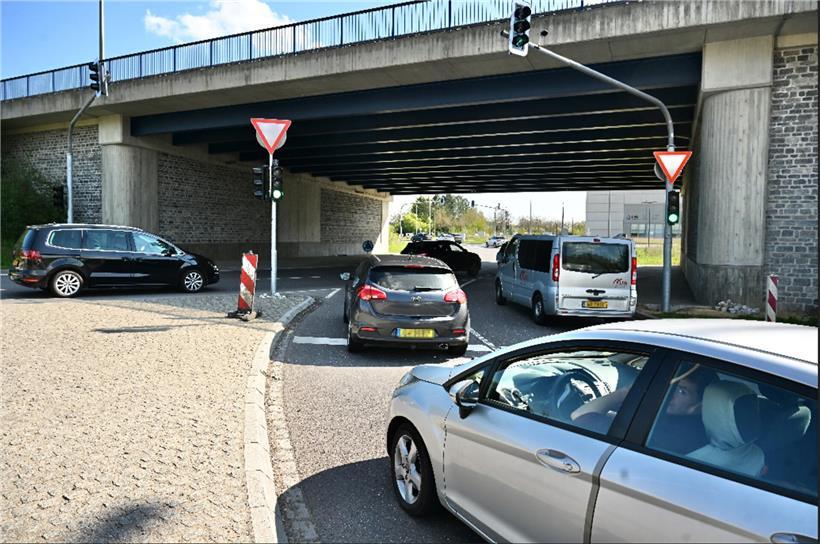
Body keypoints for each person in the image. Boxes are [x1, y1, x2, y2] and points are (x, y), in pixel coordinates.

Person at [649, 364, 718, 455]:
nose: (670, 393)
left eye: (682, 392)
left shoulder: (675, 435)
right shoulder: (701, 429)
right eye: (673, 386)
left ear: (699, 406)